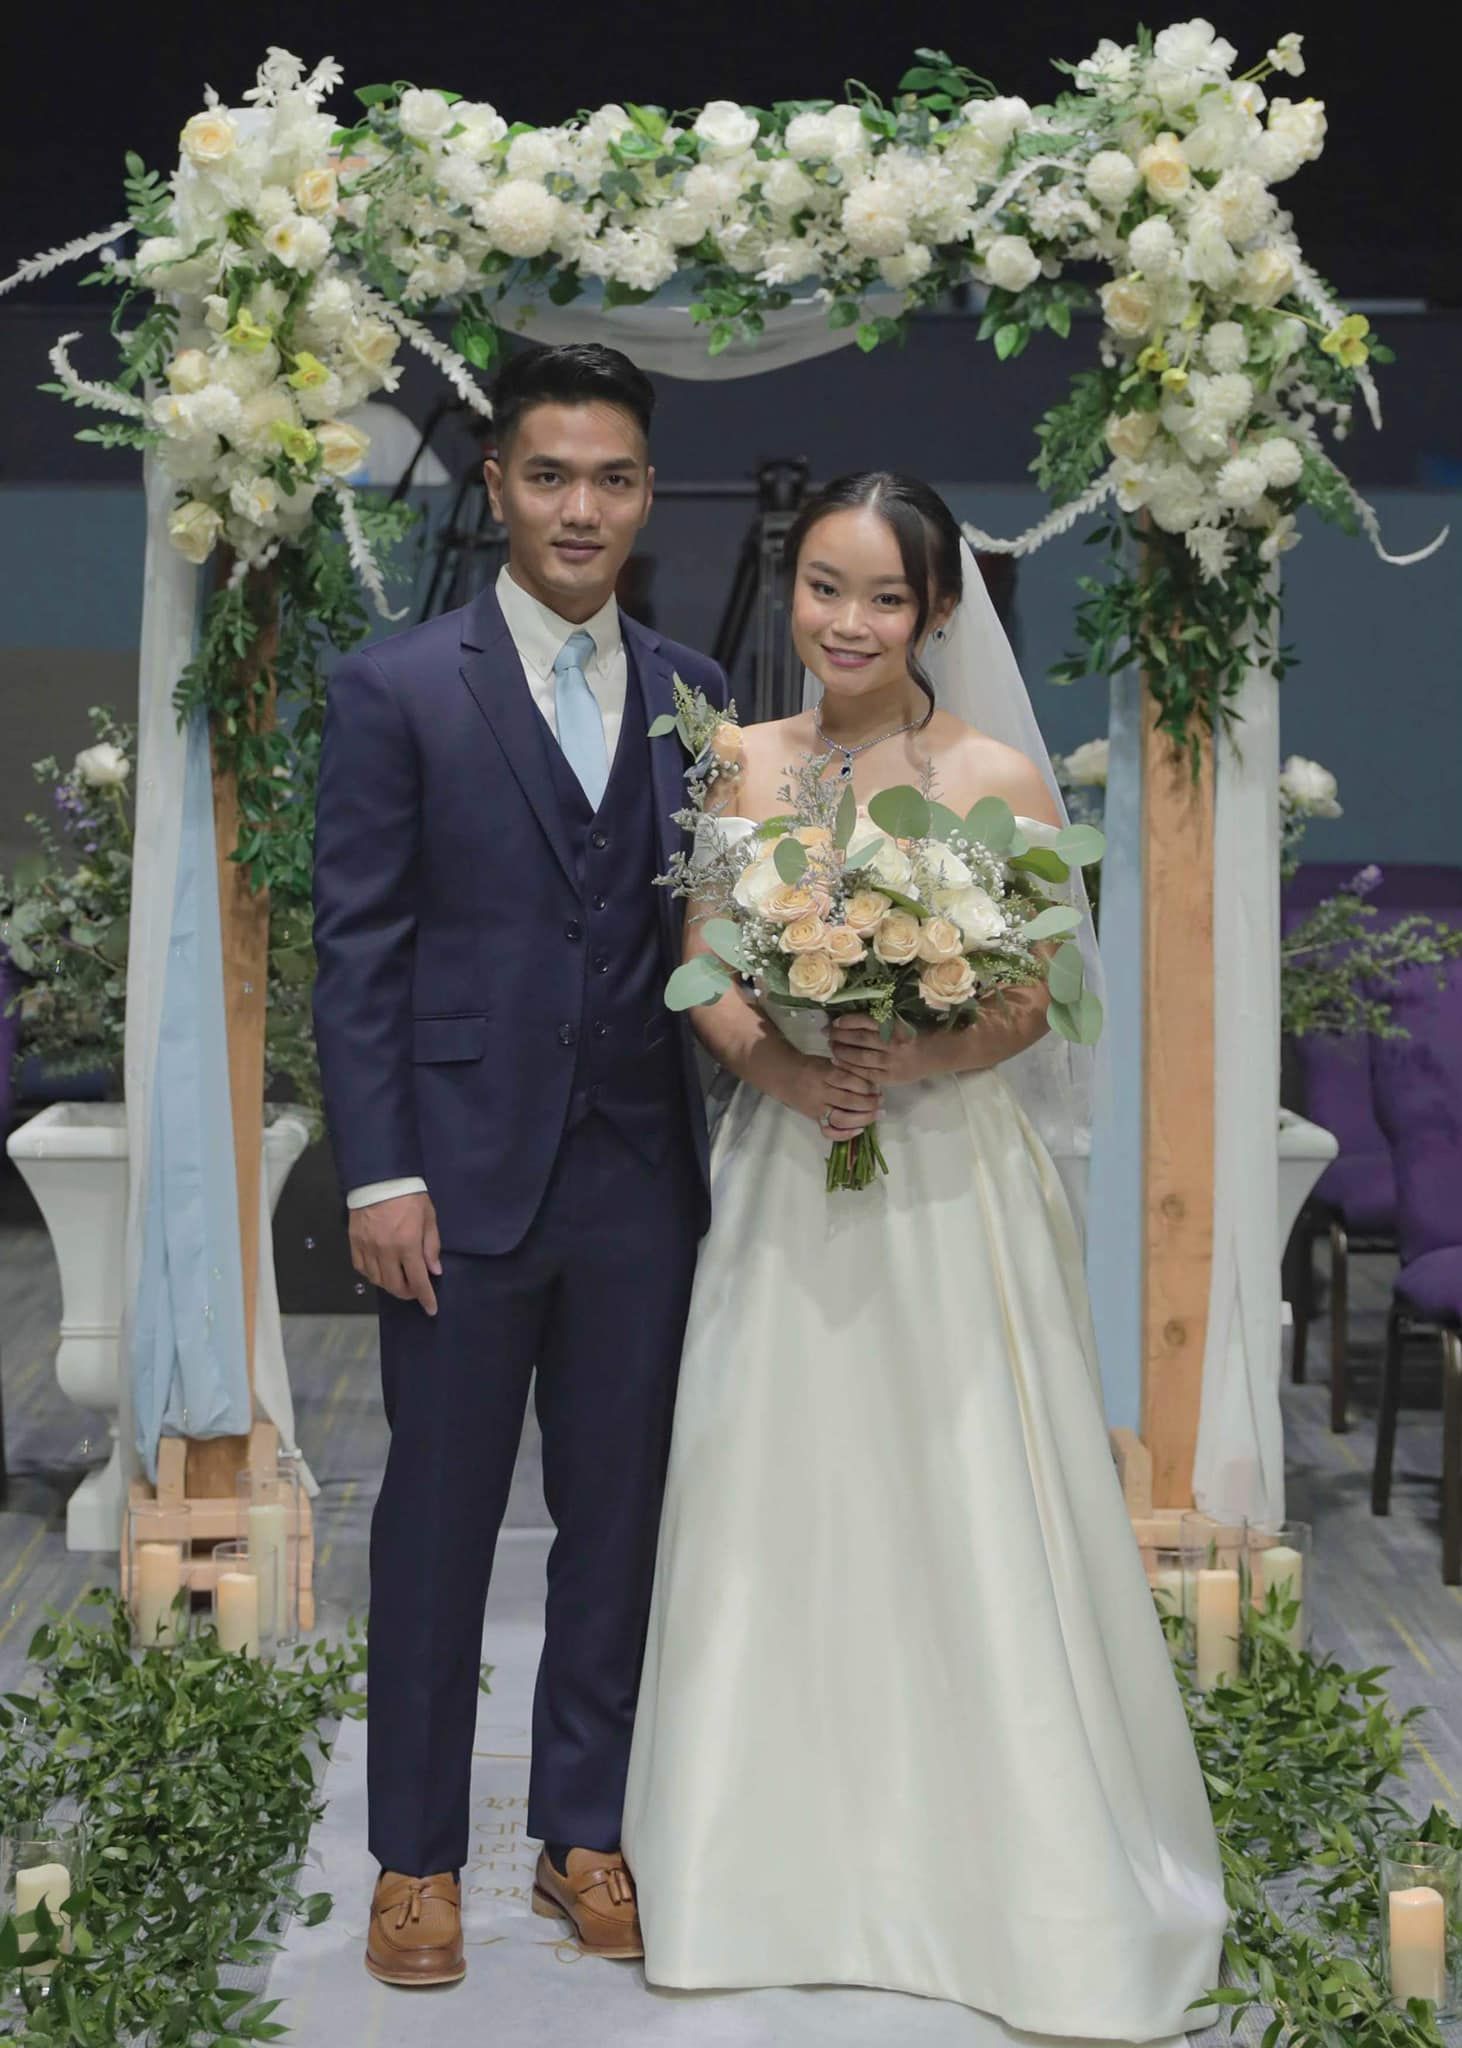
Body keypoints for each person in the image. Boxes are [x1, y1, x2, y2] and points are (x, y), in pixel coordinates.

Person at [622, 473, 1227, 2039]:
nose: (845, 621)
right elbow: (700, 962)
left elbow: (1025, 1001)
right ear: (793, 589)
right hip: (781, 1167)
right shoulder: (737, 763)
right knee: (783, 1495)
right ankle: (759, 1874)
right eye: (824, 587)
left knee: (952, 1490)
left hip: (947, 1178)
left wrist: (906, 1058)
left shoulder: (998, 778)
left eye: (883, 597)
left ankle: (996, 1871)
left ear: (937, 612)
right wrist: (785, 1070)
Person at [311, 343, 760, 1986]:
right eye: (550, 475)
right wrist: (377, 1177)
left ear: (646, 496)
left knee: (620, 1521)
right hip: (457, 1180)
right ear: (495, 485)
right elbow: (355, 949)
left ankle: (585, 1834)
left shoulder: (695, 692)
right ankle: (415, 1861)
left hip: (641, 1177)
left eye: (614, 479)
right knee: (430, 1530)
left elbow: (715, 935)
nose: (582, 507)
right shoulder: (397, 687)